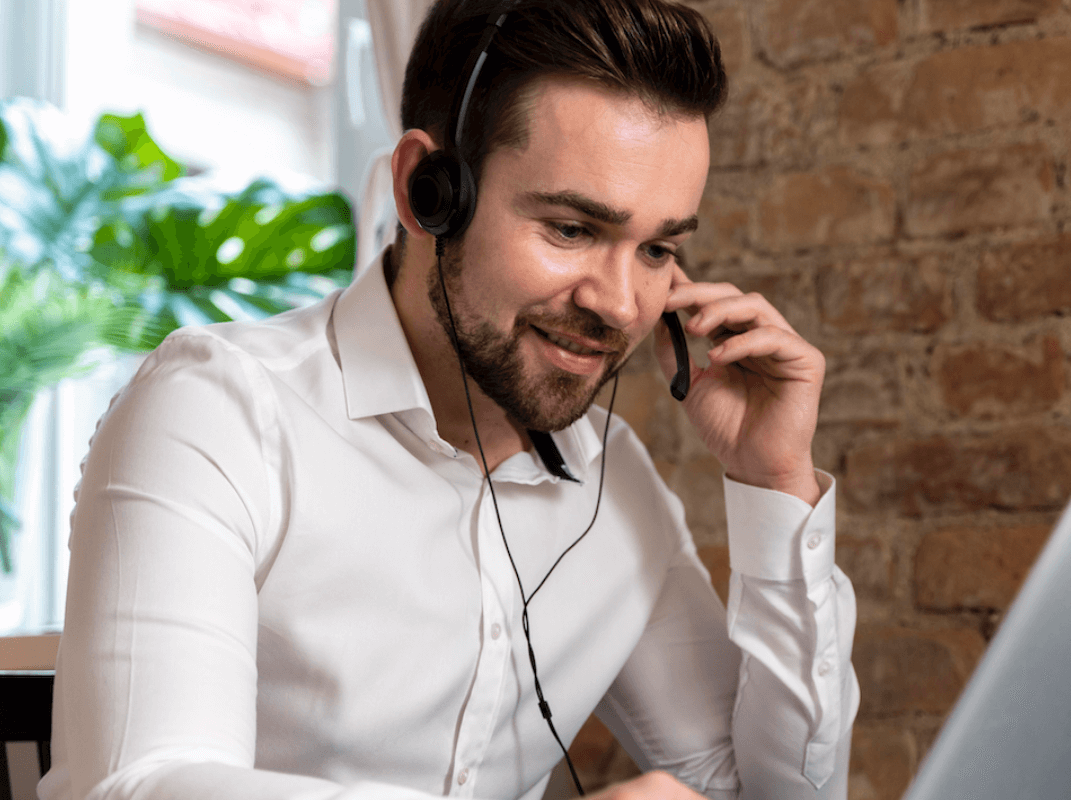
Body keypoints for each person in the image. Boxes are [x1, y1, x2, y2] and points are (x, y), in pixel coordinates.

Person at [38, 1, 859, 799]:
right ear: (426, 191)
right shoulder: (215, 411)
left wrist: (774, 480)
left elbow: (764, 792)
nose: (618, 303)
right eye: (571, 229)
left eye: (656, 249)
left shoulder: (614, 484)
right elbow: (145, 783)